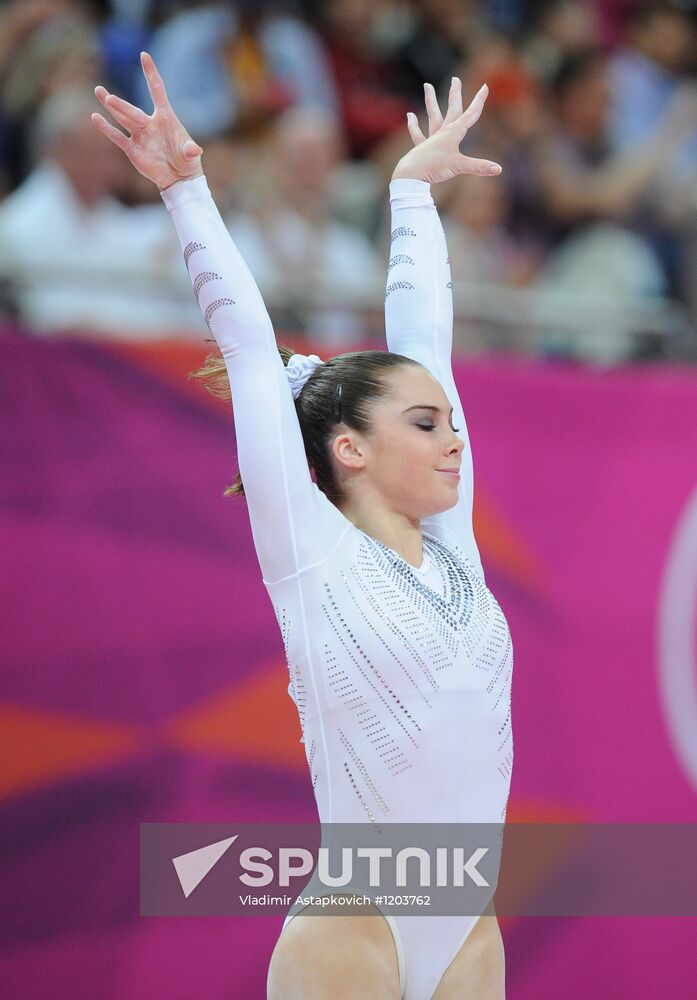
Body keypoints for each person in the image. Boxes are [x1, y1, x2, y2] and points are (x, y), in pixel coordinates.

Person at [92, 55, 513, 1000]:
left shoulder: (454, 552)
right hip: (354, 928)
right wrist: (187, 189)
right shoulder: (313, 557)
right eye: (425, 424)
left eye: (450, 421)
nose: (455, 440)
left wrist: (410, 196)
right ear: (349, 450)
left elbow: (425, 344)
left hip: (468, 928)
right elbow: (245, 346)